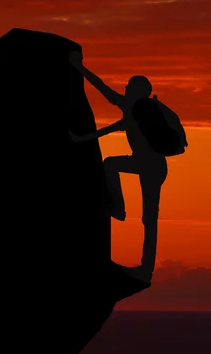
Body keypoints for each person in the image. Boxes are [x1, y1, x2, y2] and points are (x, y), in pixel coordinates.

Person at [67, 50, 167, 283]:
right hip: (152, 165)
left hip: (150, 167)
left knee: (149, 219)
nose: (125, 89)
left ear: (135, 92)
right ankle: (120, 209)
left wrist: (78, 67)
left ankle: (146, 269)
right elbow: (108, 129)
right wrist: (80, 139)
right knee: (111, 165)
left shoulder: (133, 109)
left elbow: (102, 89)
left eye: (129, 86)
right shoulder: (137, 114)